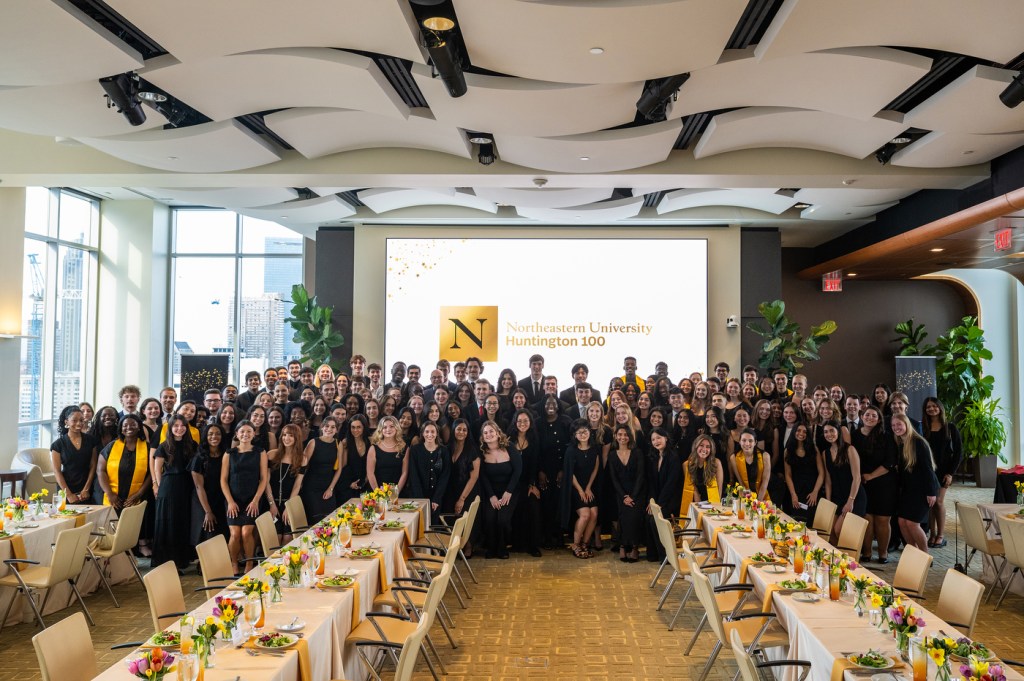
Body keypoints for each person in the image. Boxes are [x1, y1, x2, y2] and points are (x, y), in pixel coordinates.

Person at [96, 414, 152, 554]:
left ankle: (138, 548)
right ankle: (116, 551)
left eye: (133, 424)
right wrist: (109, 493)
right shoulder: (112, 446)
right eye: (125, 425)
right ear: (121, 428)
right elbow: (100, 470)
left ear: (139, 427)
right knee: (114, 523)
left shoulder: (147, 447)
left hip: (138, 493)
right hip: (114, 494)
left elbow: (152, 473)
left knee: (135, 521)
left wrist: (139, 494)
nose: (129, 427)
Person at [221, 420, 269, 573]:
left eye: (249, 431)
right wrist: (230, 502)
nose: (245, 434)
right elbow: (223, 480)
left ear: (254, 434)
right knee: (235, 534)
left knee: (246, 532)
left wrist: (255, 500)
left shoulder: (260, 452)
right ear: (237, 434)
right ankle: (234, 563)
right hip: (233, 499)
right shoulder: (229, 453)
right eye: (242, 431)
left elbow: (263, 479)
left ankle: (249, 563)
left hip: (252, 499)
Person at [151, 415, 196, 569]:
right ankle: (167, 562)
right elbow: (157, 469)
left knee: (183, 522)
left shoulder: (192, 444)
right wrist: (158, 486)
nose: (179, 428)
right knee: (169, 523)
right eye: (175, 426)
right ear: (170, 428)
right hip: (169, 486)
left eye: (182, 425)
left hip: (187, 485)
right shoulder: (164, 446)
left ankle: (182, 560)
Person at [892, 414, 940, 553]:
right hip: (909, 490)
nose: (896, 427)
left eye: (899, 424)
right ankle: (914, 553)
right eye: (893, 425)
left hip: (923, 489)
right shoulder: (901, 443)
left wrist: (931, 492)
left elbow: (928, 469)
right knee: (902, 522)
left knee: (912, 523)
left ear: (907, 424)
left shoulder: (918, 442)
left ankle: (925, 556)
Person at [855, 406, 897, 563]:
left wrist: (871, 475)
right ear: (862, 416)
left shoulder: (886, 436)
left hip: (884, 483)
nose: (870, 418)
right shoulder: (855, 435)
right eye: (867, 415)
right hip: (863, 484)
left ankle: (883, 554)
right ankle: (866, 553)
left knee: (882, 520)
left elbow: (890, 462)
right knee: (867, 519)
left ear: (879, 420)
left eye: (874, 415)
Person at [478, 421, 522, 559]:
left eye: (491, 431)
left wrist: (509, 491)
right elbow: (483, 476)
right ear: (483, 437)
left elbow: (518, 470)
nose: (489, 434)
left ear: (498, 433)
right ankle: (491, 548)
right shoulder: (482, 452)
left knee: (502, 520)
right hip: (491, 492)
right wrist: (491, 496)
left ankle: (502, 548)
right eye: (485, 433)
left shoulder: (509, 447)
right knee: (489, 518)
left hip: (510, 490)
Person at [922, 397, 962, 548]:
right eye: (928, 407)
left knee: (938, 502)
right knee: (930, 503)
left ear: (940, 408)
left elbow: (959, 453)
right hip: (928, 471)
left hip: (944, 471)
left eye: (934, 406)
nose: (931, 409)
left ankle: (940, 535)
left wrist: (951, 473)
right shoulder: (923, 428)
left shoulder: (950, 427)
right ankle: (932, 534)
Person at [561, 420, 600, 559]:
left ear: (590, 432)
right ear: (575, 435)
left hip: (589, 486)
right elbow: (570, 473)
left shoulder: (594, 448)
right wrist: (580, 490)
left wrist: (588, 487)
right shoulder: (571, 450)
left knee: (594, 513)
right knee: (585, 514)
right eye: (579, 432)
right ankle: (576, 544)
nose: (583, 434)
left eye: (585, 431)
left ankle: (585, 543)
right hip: (574, 487)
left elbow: (596, 468)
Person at [821, 420, 866, 542]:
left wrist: (850, 501)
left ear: (838, 432)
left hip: (854, 496)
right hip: (837, 497)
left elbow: (857, 478)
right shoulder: (825, 453)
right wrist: (829, 502)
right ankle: (837, 554)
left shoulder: (850, 449)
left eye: (832, 431)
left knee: (839, 529)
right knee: (829, 532)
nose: (829, 434)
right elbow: (828, 480)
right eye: (826, 432)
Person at [507, 408, 543, 557]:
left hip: (528, 482)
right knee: (516, 509)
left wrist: (532, 485)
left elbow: (535, 464)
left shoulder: (534, 439)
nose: (522, 423)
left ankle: (533, 545)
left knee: (533, 507)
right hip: (512, 483)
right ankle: (517, 544)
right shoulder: (508, 440)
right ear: (515, 422)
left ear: (530, 422)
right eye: (519, 421)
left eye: (526, 421)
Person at [608, 424, 646, 562]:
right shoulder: (612, 455)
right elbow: (614, 479)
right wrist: (624, 496)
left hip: (637, 492)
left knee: (634, 517)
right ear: (615, 436)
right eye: (620, 434)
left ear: (630, 437)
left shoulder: (637, 453)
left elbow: (641, 476)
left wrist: (632, 496)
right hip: (621, 494)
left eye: (625, 434)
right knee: (623, 516)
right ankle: (623, 545)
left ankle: (634, 546)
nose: (622, 437)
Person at [644, 427, 681, 562]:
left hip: (671, 500)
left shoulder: (673, 457)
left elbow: (671, 484)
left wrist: (659, 504)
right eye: (653, 439)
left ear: (666, 438)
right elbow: (652, 483)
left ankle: (665, 555)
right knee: (648, 517)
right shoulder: (654, 457)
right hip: (658, 500)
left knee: (655, 520)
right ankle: (652, 554)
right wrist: (652, 503)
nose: (656, 441)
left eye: (658, 438)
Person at [189, 423, 228, 546]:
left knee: (221, 533)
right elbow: (199, 487)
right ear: (205, 437)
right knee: (207, 531)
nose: (214, 437)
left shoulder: (226, 454)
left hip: (220, 498)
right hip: (202, 499)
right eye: (210, 434)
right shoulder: (199, 458)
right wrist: (207, 511)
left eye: (218, 434)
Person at [50, 405, 97, 505]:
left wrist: (86, 489)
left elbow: (93, 466)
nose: (79, 423)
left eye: (81, 420)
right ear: (66, 422)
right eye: (74, 420)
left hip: (87, 488)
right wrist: (68, 494)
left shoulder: (91, 440)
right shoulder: (57, 445)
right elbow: (57, 471)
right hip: (66, 488)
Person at [266, 424, 306, 541]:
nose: (286, 438)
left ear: (297, 438)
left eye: (291, 435)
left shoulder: (302, 459)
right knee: (275, 538)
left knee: (287, 539)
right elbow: (266, 482)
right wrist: (272, 504)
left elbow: (297, 485)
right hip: (271, 501)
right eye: (284, 435)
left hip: (289, 502)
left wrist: (288, 507)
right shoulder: (271, 455)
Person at [300, 416, 343, 524]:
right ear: (322, 427)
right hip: (311, 488)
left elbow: (339, 469)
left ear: (336, 430)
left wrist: (331, 488)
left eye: (333, 427)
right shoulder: (313, 442)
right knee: (315, 521)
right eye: (327, 426)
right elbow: (303, 466)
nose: (329, 429)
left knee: (330, 521)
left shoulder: (338, 444)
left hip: (328, 487)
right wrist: (299, 484)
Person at [782, 424, 823, 523]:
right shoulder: (787, 451)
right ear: (794, 432)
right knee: (796, 522)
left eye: (805, 432)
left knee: (811, 521)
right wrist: (793, 494)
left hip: (812, 491)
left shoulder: (814, 449)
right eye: (798, 430)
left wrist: (815, 492)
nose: (801, 433)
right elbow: (788, 475)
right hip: (796, 491)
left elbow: (821, 473)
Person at [408, 421, 450, 513]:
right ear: (422, 433)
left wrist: (436, 498)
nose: (430, 434)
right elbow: (414, 475)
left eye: (432, 431)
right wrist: (421, 500)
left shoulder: (444, 451)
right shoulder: (415, 450)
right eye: (427, 431)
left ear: (437, 433)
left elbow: (444, 476)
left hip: (437, 499)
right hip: (418, 497)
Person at [367, 415, 409, 494]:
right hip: (377, 493)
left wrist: (396, 492)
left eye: (392, 426)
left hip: (398, 493)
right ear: (380, 430)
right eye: (384, 427)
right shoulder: (373, 448)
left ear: (396, 428)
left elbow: (405, 473)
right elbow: (370, 474)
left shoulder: (404, 448)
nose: (388, 429)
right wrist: (378, 493)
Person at [731, 428, 771, 501]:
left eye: (750, 441)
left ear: (755, 442)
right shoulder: (734, 457)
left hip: (762, 496)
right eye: (744, 440)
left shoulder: (765, 456)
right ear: (739, 442)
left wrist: (758, 502)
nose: (747, 444)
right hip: (743, 495)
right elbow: (741, 483)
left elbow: (765, 483)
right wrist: (748, 501)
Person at [338, 414, 370, 499]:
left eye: (359, 427)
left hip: (366, 483)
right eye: (353, 427)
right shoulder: (345, 442)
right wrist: (349, 483)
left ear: (364, 427)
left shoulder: (370, 441)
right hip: (349, 484)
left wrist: (367, 478)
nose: (355, 430)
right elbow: (342, 466)